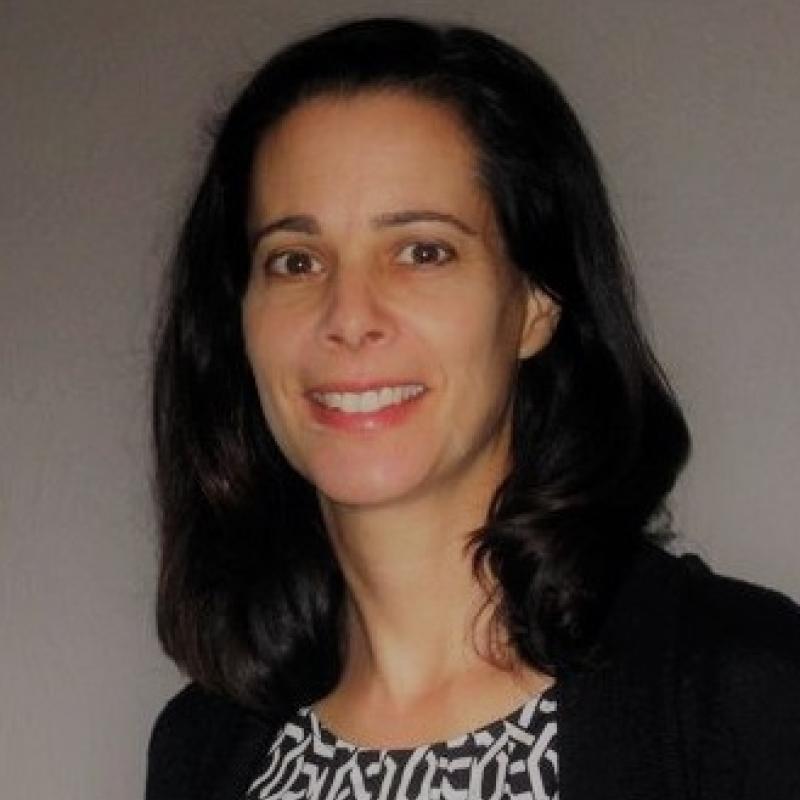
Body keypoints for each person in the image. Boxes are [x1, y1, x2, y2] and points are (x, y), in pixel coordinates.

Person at [145, 17, 800, 800]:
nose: (349, 316)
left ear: (536, 303)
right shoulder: (201, 749)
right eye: (295, 260)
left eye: (423, 250)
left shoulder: (745, 689)